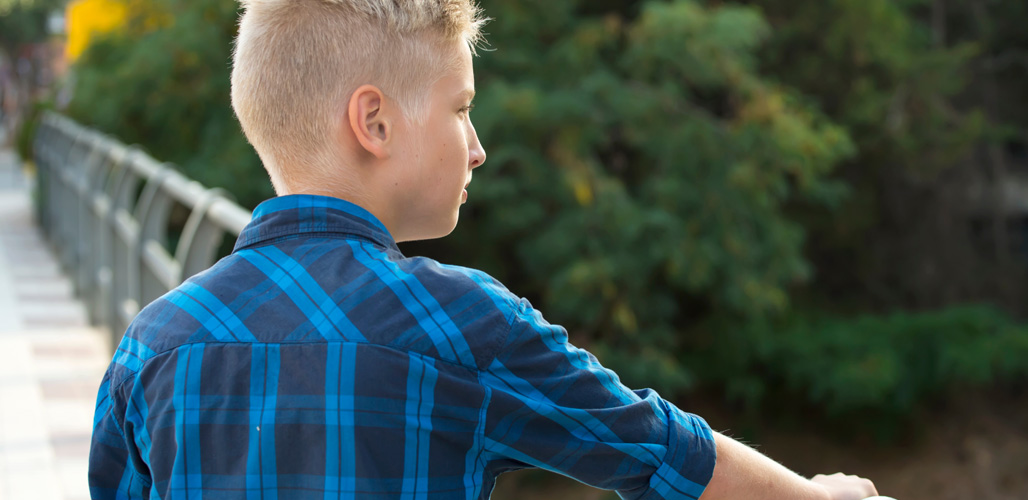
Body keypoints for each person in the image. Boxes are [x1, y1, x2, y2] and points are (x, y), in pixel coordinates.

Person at [88, 0, 881, 499]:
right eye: (461, 108)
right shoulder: (462, 326)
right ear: (376, 123)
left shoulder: (154, 344)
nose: (478, 148)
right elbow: (661, 452)